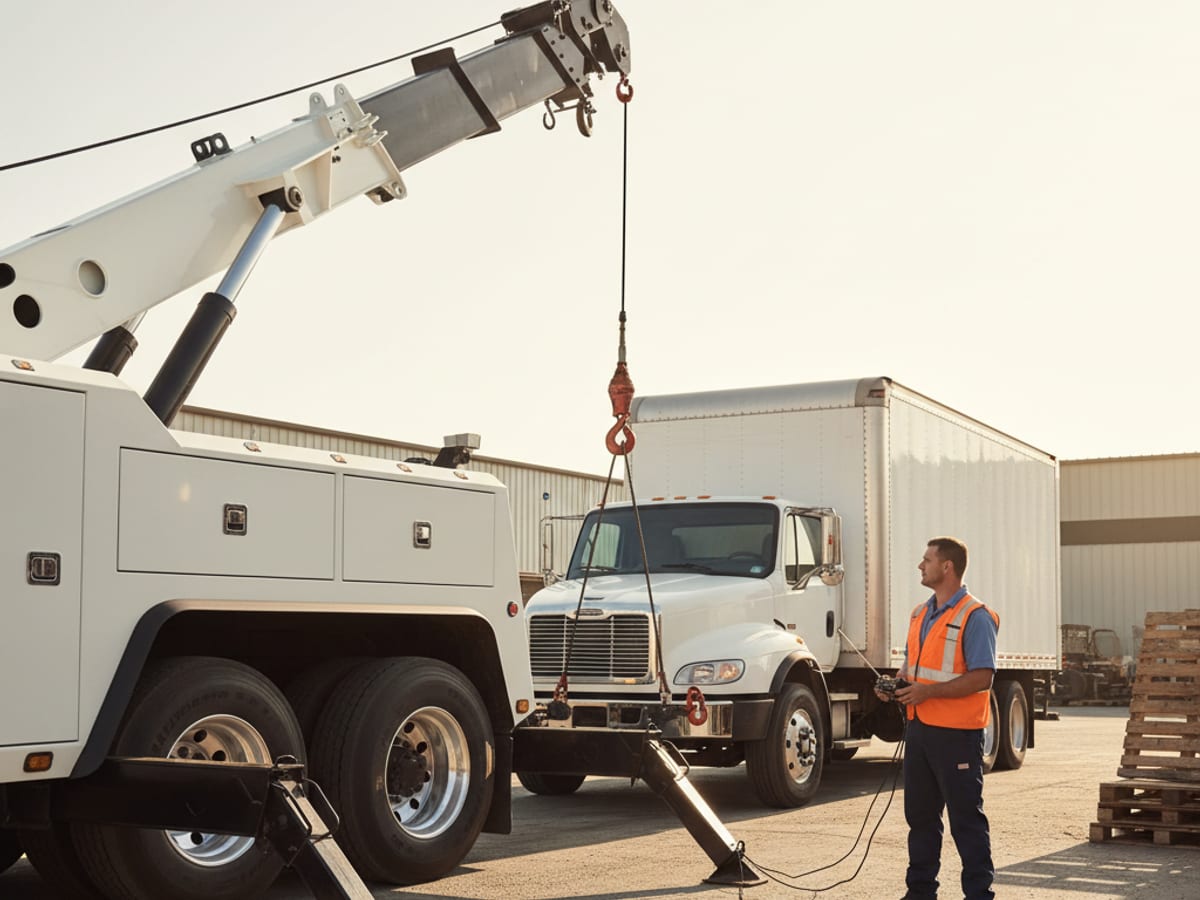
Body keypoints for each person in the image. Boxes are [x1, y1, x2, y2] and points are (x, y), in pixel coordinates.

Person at [876, 536, 999, 900]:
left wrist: (928, 693)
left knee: (965, 820)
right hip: (919, 731)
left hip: (957, 736)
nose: (921, 565)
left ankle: (979, 895)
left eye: (926, 560)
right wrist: (895, 685)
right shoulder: (919, 614)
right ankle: (920, 893)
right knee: (920, 818)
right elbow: (913, 667)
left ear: (947, 567)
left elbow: (983, 677)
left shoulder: (976, 616)